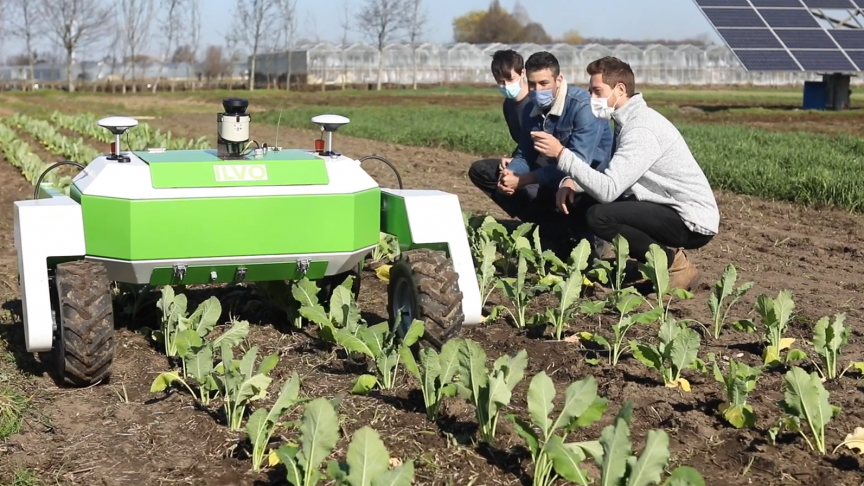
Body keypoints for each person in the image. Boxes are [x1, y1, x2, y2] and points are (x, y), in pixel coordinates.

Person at [538, 56, 719, 291]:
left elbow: (609, 190)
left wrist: (562, 154)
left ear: (620, 89)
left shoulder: (641, 128)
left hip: (690, 219)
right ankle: (588, 254)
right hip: (667, 206)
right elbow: (612, 172)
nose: (592, 98)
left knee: (599, 216)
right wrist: (573, 183)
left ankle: (672, 265)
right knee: (584, 200)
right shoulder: (627, 120)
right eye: (590, 92)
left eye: (597, 91)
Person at [469, 50, 614, 257]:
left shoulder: (582, 106)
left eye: (544, 83)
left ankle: (589, 236)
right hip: (554, 175)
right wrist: (512, 173)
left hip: (589, 181)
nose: (537, 90)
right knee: (488, 172)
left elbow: (579, 164)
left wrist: (526, 179)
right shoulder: (533, 108)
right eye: (532, 84)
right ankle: (551, 229)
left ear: (558, 80)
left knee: (588, 254)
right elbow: (525, 152)